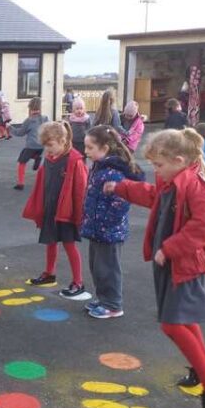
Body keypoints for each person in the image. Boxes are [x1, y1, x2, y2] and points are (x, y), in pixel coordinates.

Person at [104, 128, 205, 408]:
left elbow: (201, 229)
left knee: (172, 325)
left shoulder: (198, 188)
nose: (156, 171)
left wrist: (169, 249)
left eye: (159, 165)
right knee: (183, 318)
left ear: (180, 160)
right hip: (168, 262)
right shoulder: (170, 181)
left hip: (183, 264)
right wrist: (120, 187)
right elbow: (151, 196)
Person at [81, 125, 145, 319]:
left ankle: (113, 304)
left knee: (108, 268)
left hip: (108, 230)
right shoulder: (100, 168)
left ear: (104, 149)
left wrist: (106, 223)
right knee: (97, 266)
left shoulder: (113, 172)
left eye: (90, 148)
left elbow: (121, 203)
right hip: (97, 227)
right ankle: (103, 299)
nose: (86, 152)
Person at [21, 121, 91, 300]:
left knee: (69, 244)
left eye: (51, 145)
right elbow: (43, 183)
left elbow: (81, 189)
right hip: (51, 208)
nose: (48, 150)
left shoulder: (74, 160)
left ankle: (78, 282)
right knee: (50, 240)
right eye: (45, 146)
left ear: (62, 140)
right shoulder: (49, 159)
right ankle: (49, 274)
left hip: (66, 211)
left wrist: (79, 213)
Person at [11, 97, 49, 190]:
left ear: (30, 108)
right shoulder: (45, 118)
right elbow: (49, 129)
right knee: (35, 155)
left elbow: (20, 133)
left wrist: (10, 128)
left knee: (21, 162)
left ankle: (20, 183)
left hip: (31, 146)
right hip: (41, 146)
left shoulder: (29, 121)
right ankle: (36, 157)